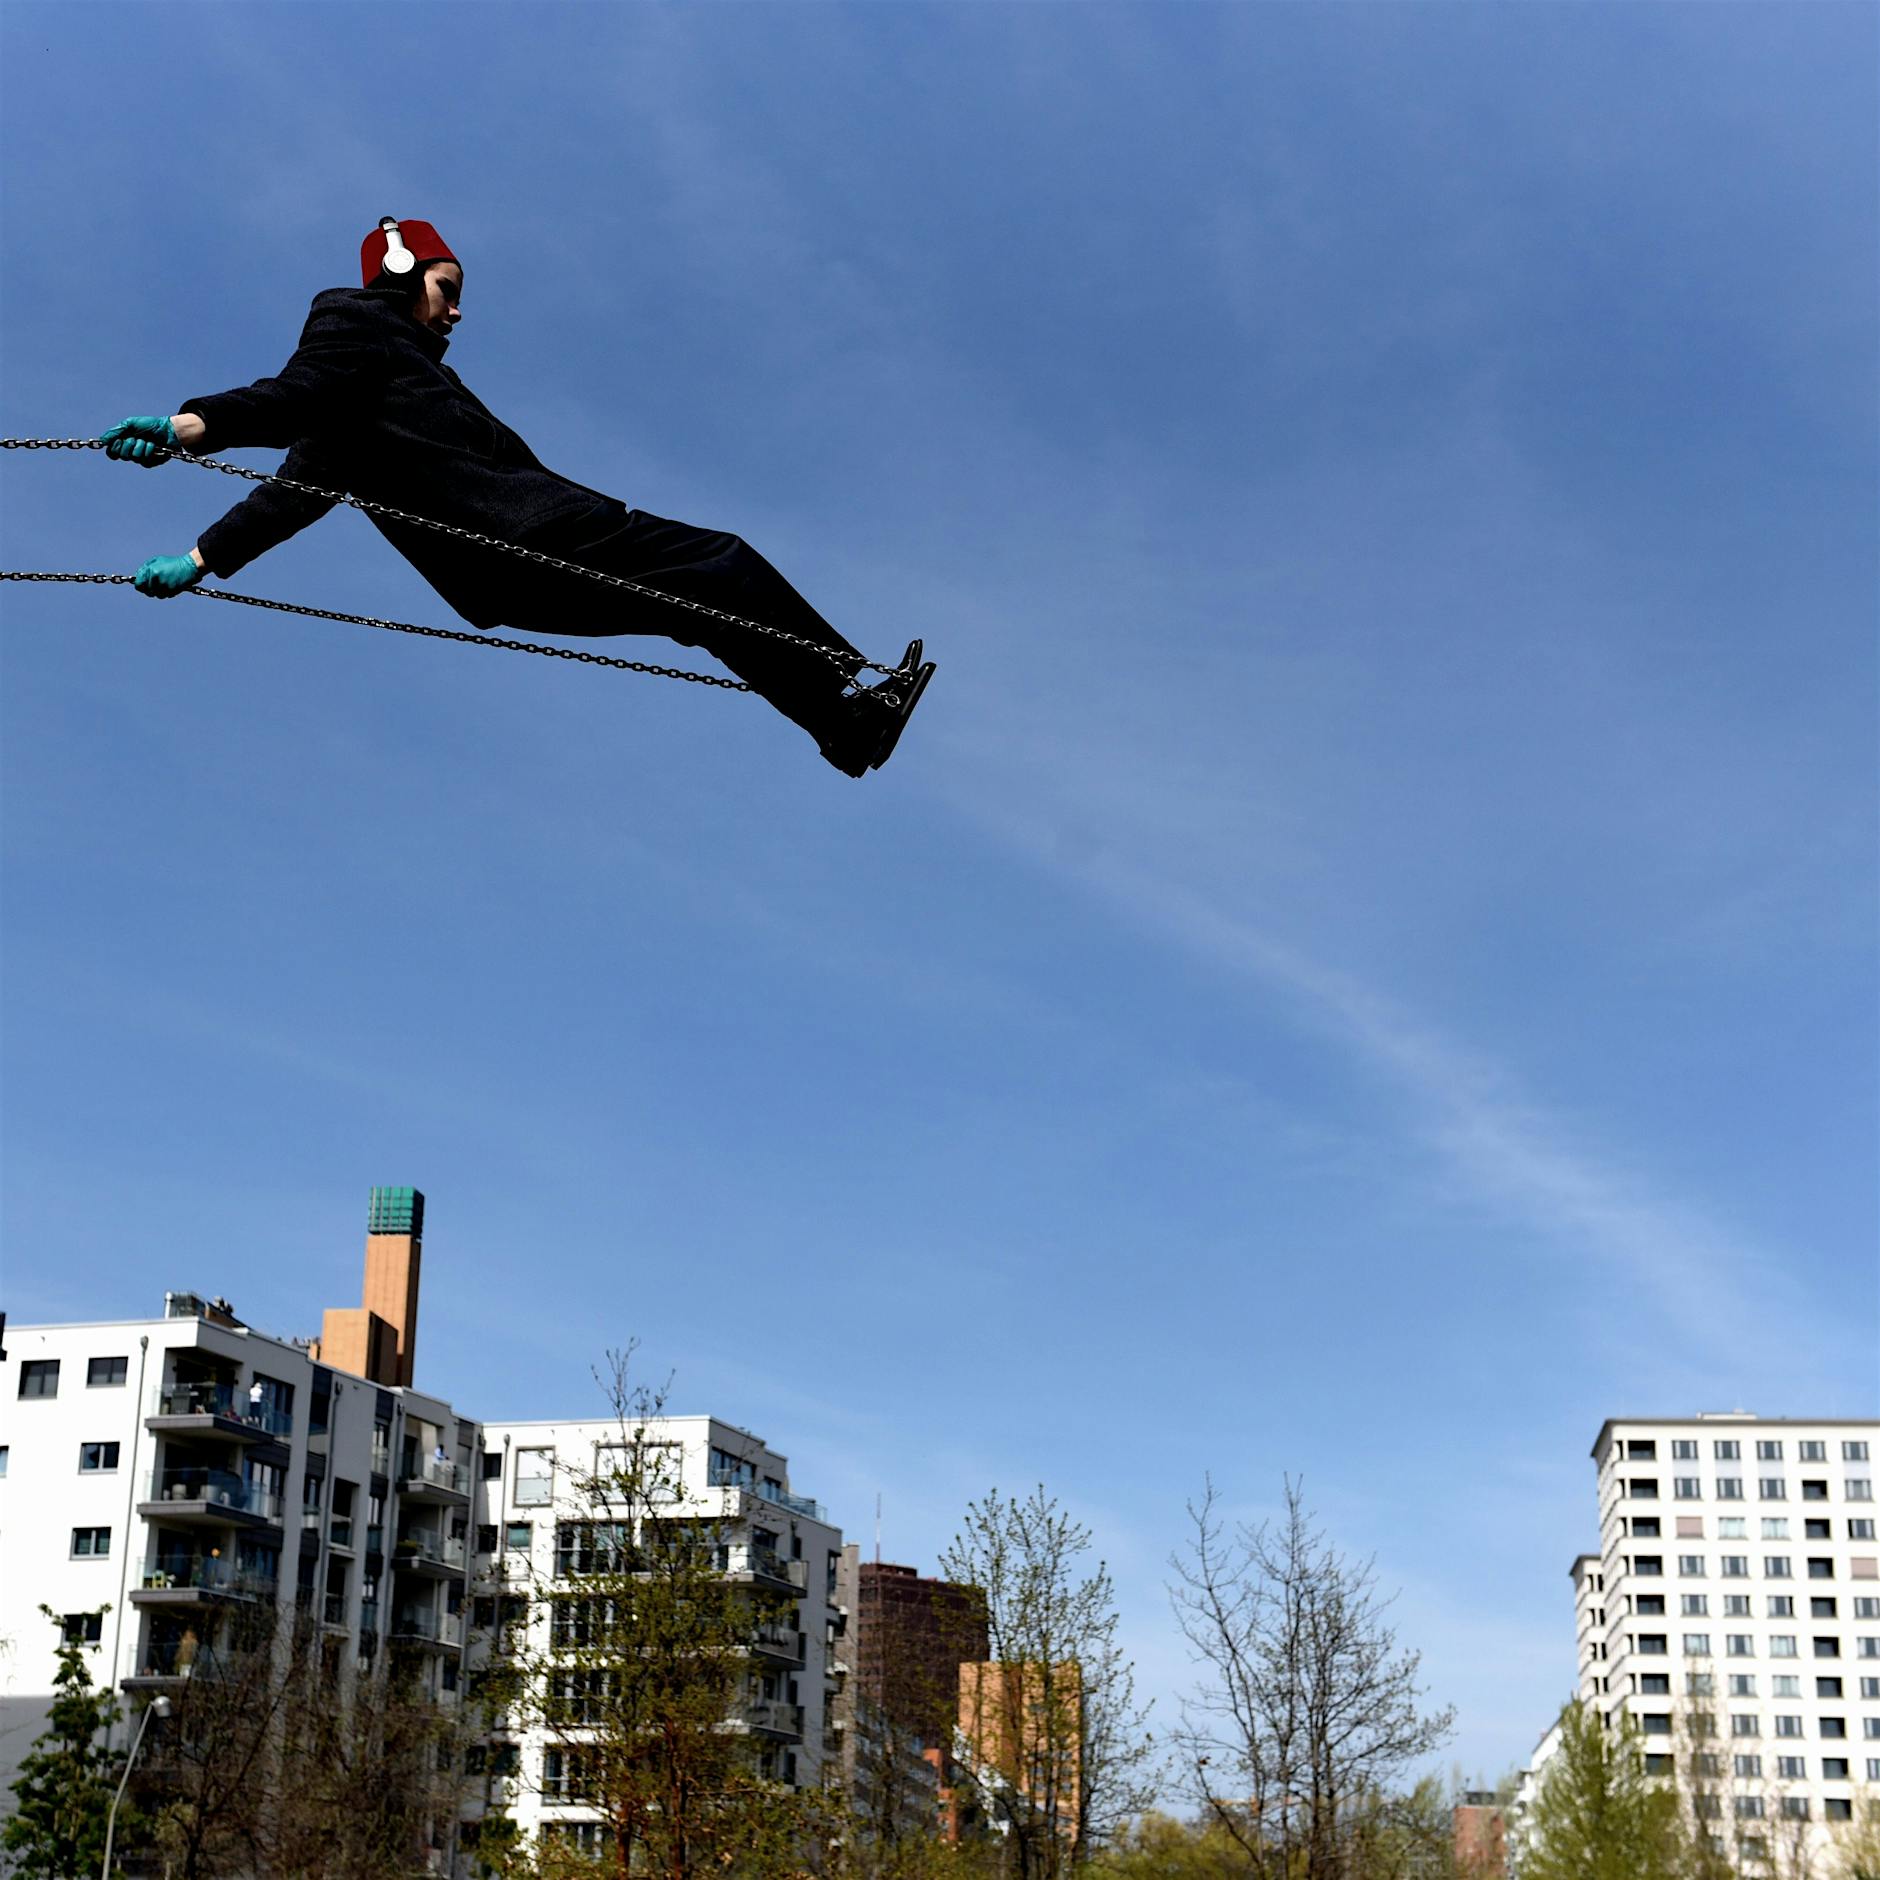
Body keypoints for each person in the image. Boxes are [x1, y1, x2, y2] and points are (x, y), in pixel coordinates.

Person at [100, 216, 932, 777]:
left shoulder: (378, 394)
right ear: (400, 270)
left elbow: (292, 491)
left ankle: (845, 728)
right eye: (446, 286)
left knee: (701, 604)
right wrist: (190, 426)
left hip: (501, 572)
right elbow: (292, 395)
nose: (457, 309)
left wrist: (201, 559)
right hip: (527, 535)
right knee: (721, 561)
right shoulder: (353, 328)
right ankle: (853, 687)